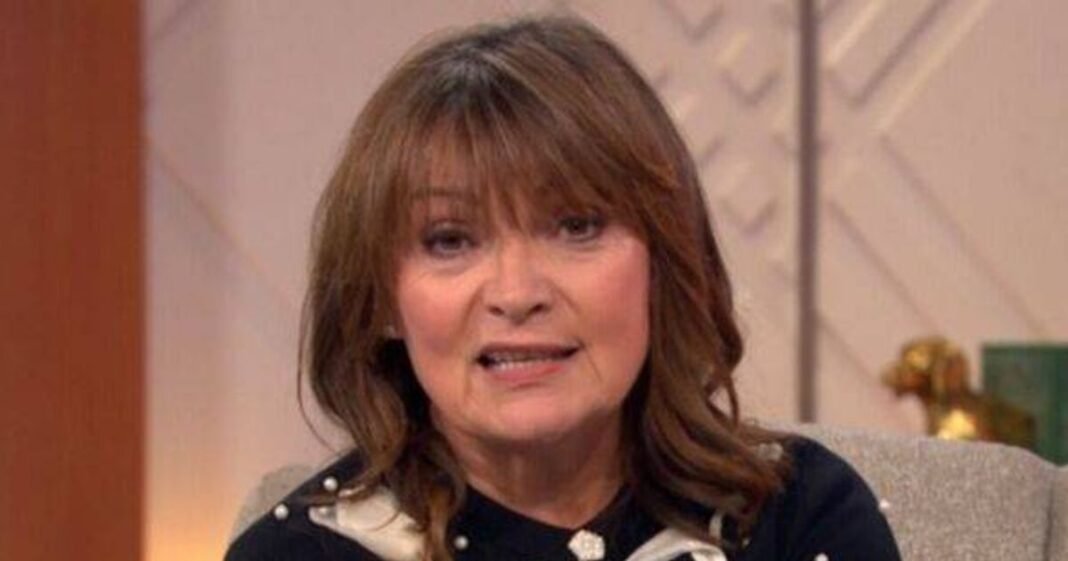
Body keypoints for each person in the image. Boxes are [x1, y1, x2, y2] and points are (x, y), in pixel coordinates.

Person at [226, 15, 900, 561]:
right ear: (381, 297)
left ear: (663, 261)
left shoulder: (798, 517)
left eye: (577, 226)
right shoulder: (299, 555)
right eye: (450, 240)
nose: (517, 293)